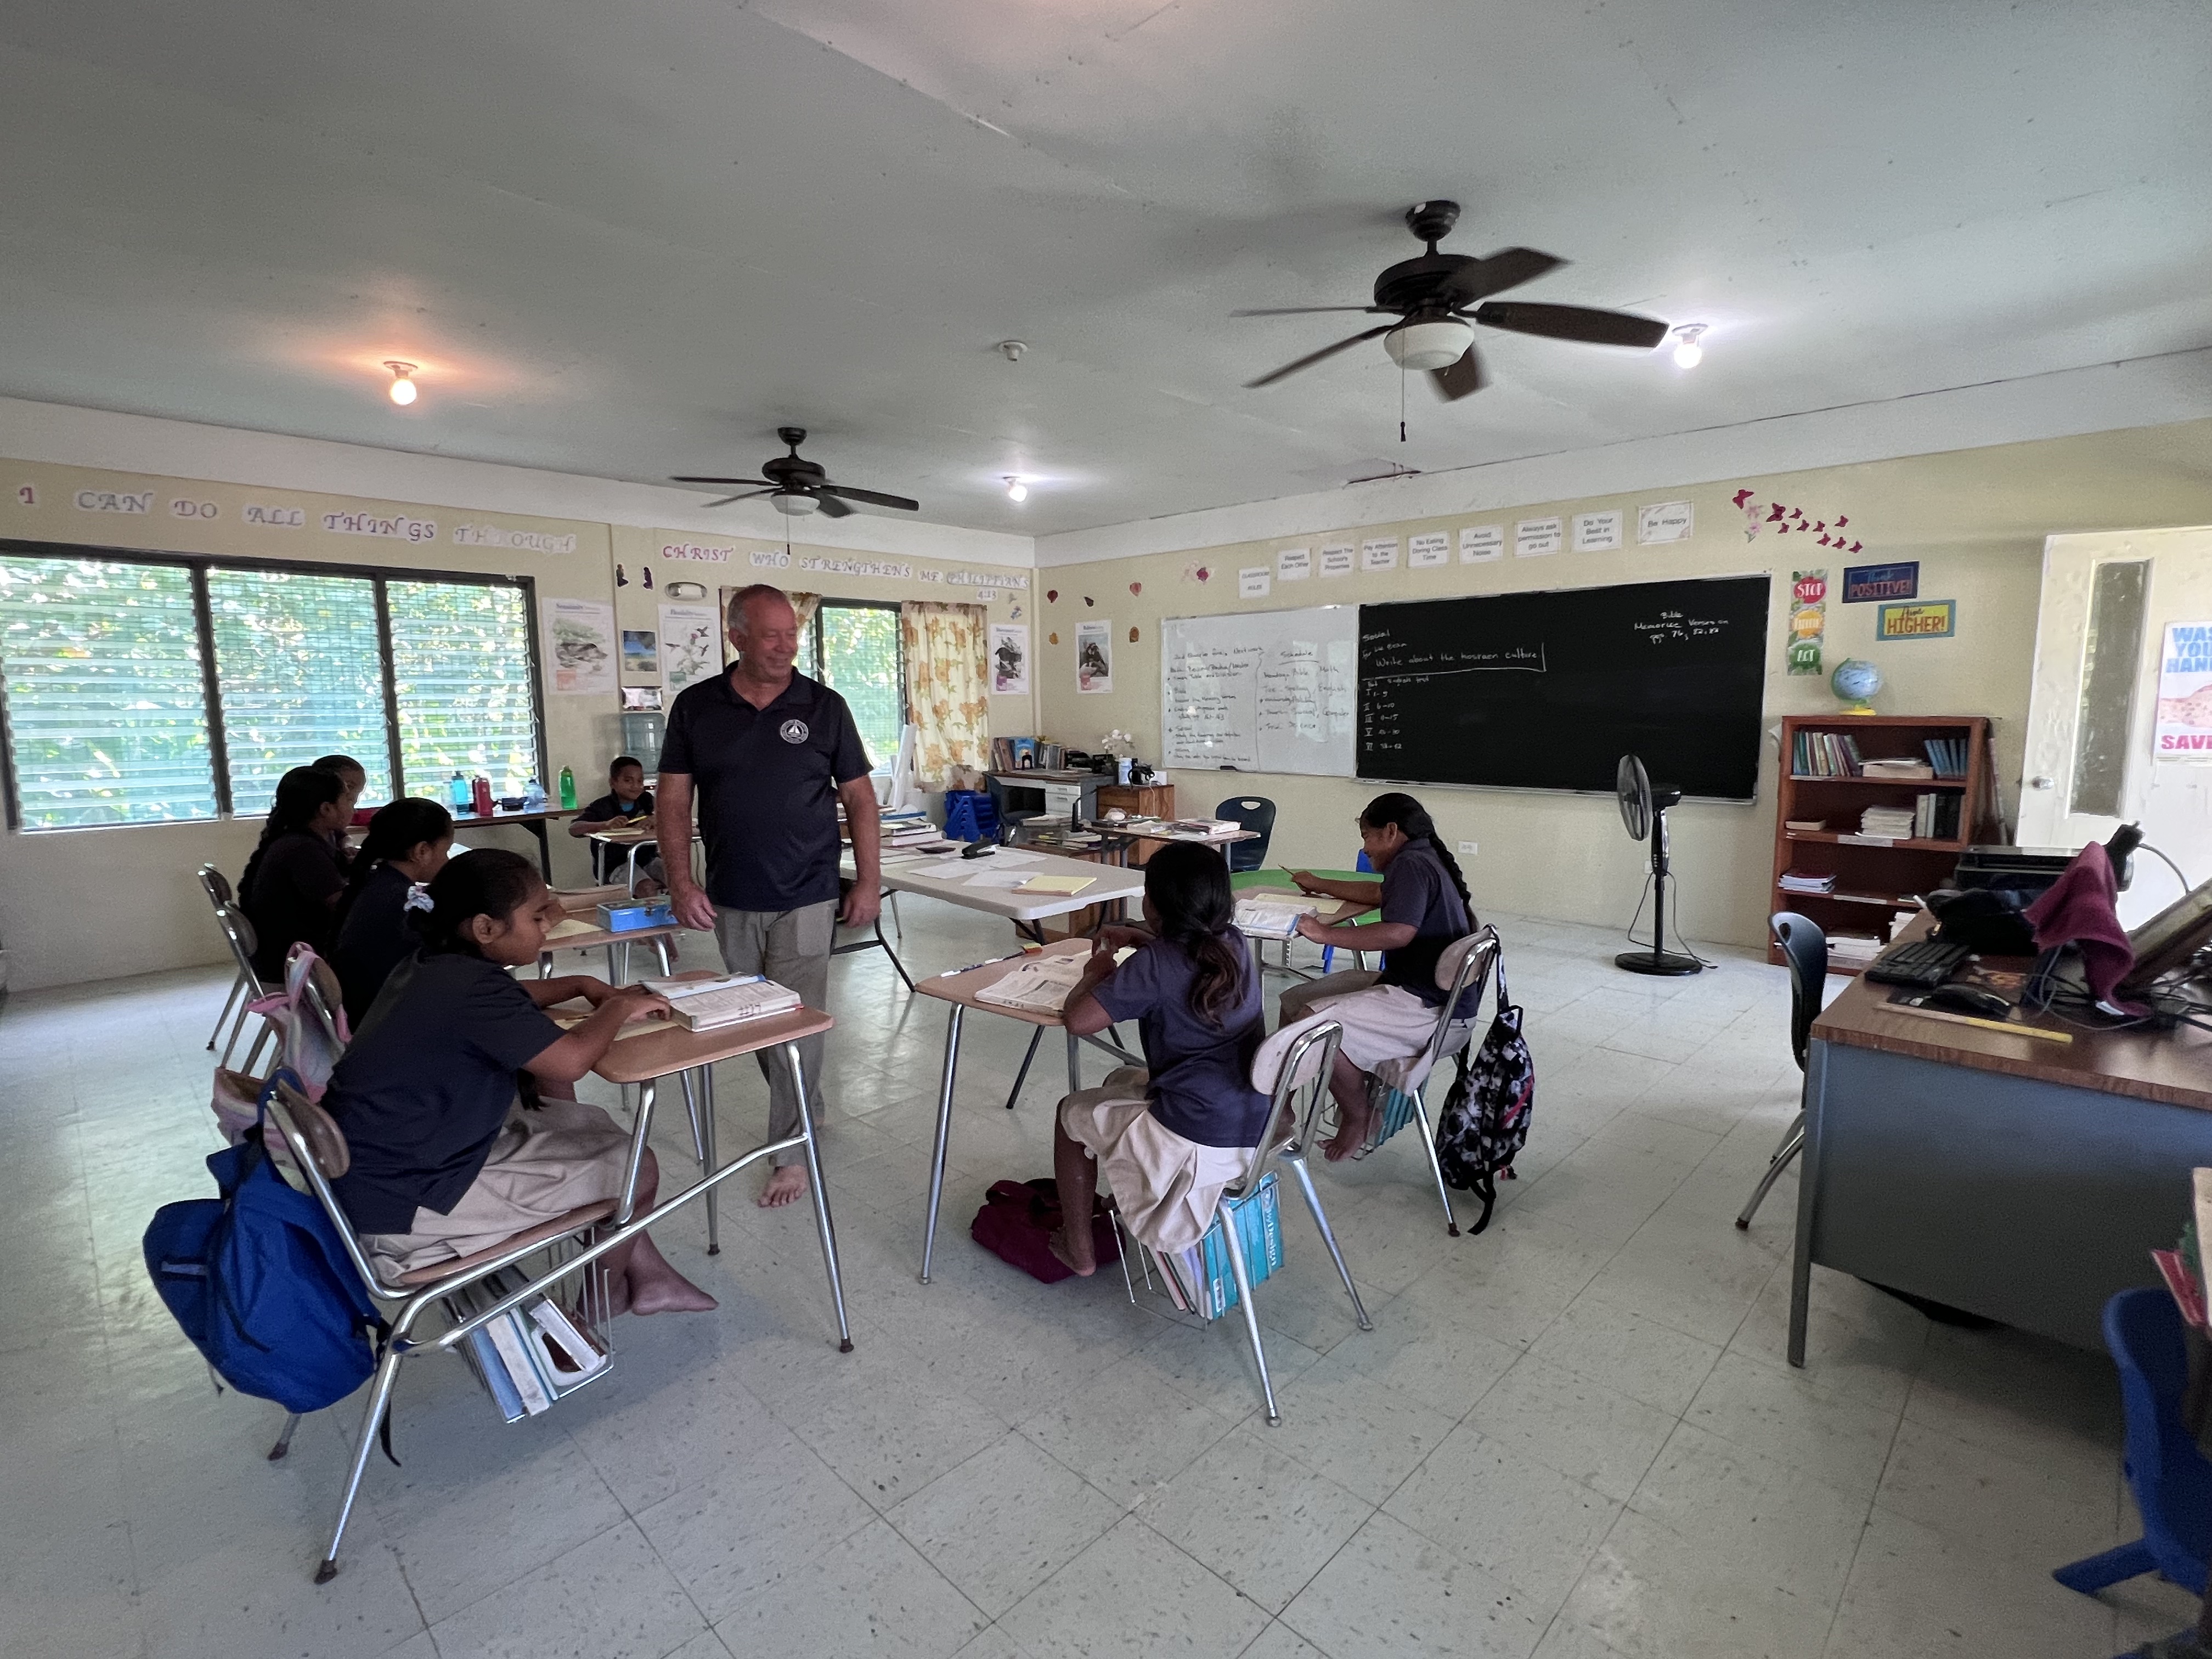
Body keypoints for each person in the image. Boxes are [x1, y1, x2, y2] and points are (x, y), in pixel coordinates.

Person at [323, 849, 715, 1314]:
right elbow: (569, 1063)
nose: (550, 923)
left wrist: (581, 985)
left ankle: (651, 1279)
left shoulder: (430, 965)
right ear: (486, 928)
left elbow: (517, 996)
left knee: (590, 1134)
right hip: (408, 1212)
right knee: (637, 1167)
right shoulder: (472, 989)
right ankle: (595, 1311)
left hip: (375, 1178)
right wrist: (617, 1007)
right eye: (537, 916)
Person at [657, 585, 881, 1209]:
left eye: (792, 634)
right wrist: (681, 881)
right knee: (760, 1021)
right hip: (732, 893)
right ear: (737, 637)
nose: (786, 647)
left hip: (808, 890)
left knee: (796, 1023)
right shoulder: (696, 707)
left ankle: (789, 1150)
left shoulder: (825, 706)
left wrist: (867, 880)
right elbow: (673, 801)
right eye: (771, 635)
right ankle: (806, 1106)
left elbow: (860, 798)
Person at [1047, 842, 1269, 1277]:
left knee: (1069, 1114)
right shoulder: (1234, 944)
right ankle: (1126, 1194)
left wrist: (1097, 972)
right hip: (1253, 1119)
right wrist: (1147, 939)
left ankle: (1080, 1252)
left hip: (1196, 1133)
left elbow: (1078, 1019)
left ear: (1152, 902)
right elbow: (1187, 958)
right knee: (1119, 1077)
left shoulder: (1155, 966)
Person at [1278, 792, 1480, 1160]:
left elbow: (1398, 932)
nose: (1366, 848)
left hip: (1431, 1009)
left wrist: (1327, 935)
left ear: (1390, 831)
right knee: (1293, 1001)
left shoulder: (1413, 865)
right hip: (1428, 991)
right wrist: (1320, 883)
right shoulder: (1422, 855)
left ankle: (1359, 1115)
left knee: (1314, 1024)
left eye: (1367, 837)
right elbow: (1377, 893)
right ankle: (1282, 1105)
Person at [330, 797, 455, 1025]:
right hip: (387, 1019)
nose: (446, 859)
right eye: (446, 851)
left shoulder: (378, 882)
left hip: (367, 1010)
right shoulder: (401, 901)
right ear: (422, 851)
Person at [238, 766, 352, 981]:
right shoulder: (302, 849)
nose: (352, 807)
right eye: (348, 800)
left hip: (286, 953)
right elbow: (344, 907)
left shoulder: (299, 837)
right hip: (293, 961)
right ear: (326, 809)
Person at [568, 755, 661, 891]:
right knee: (646, 887)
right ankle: (645, 912)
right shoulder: (602, 807)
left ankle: (672, 911)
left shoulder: (646, 800)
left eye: (640, 781)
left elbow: (665, 813)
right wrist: (604, 825)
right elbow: (573, 829)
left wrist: (655, 818)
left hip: (646, 859)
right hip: (615, 865)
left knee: (676, 878)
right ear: (613, 783)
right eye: (628, 781)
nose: (636, 786)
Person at [312, 753, 369, 858]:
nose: (354, 798)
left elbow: (342, 836)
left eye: (359, 791)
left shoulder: (330, 828)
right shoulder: (307, 845)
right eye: (349, 787)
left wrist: (347, 846)